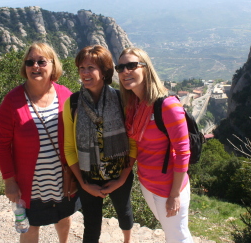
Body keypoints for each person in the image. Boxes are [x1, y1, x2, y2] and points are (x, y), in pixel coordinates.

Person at [0, 42, 81, 243]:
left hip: (62, 179)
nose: (35, 66)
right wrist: (9, 180)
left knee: (63, 217)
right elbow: (1, 144)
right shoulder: (12, 102)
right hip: (30, 184)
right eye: (30, 62)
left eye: (41, 61)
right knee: (30, 227)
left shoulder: (65, 95)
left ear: (53, 65)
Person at [116, 47, 193, 243]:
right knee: (169, 230)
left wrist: (175, 194)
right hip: (147, 183)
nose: (125, 71)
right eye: (121, 67)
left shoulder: (167, 105)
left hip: (168, 187)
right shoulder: (136, 104)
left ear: (146, 68)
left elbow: (183, 152)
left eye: (132, 65)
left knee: (178, 236)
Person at [63, 45, 136, 243]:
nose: (85, 73)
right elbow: (69, 148)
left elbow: (133, 141)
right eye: (81, 68)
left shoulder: (122, 98)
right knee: (91, 225)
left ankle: (127, 240)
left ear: (104, 71)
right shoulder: (73, 104)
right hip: (88, 176)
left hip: (120, 172)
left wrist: (121, 179)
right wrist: (84, 184)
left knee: (124, 211)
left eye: (90, 68)